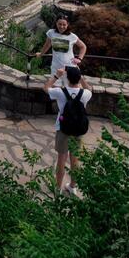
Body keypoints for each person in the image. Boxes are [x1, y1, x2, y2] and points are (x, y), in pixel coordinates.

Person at [46, 65, 92, 194]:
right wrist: (81, 76)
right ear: (79, 78)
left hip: (63, 128)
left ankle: (58, 188)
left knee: (62, 157)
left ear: (67, 78)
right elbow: (89, 88)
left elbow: (46, 88)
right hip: (78, 128)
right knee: (75, 158)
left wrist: (57, 75)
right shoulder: (86, 94)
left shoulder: (60, 92)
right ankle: (72, 186)